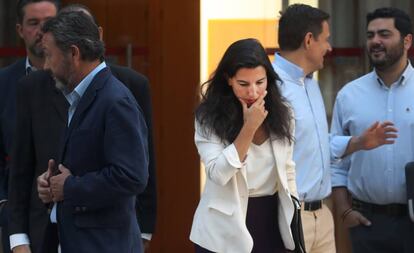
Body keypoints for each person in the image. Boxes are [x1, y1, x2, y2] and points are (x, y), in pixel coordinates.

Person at [272, 4, 397, 253]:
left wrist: (358, 143)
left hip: (323, 216)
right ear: (309, 40)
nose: (329, 47)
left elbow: (318, 144)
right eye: (326, 39)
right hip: (289, 219)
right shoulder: (270, 87)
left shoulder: (311, 84)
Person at [33, 11, 148, 253]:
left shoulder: (115, 100)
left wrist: (71, 187)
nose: (45, 66)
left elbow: (132, 176)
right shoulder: (81, 95)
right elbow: (89, 162)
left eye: (49, 56)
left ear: (73, 53)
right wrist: (53, 183)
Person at [189, 38, 297, 253]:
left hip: (273, 220)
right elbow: (218, 174)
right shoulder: (208, 117)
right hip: (222, 229)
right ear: (229, 79)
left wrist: (295, 214)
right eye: (243, 84)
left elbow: (288, 169)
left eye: (260, 82)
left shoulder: (283, 112)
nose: (253, 92)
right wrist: (249, 128)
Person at [331, 7, 414, 253]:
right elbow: (335, 159)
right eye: (370, 35)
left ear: (407, 40)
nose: (375, 41)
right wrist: (345, 210)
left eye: (384, 34)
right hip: (367, 224)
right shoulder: (349, 95)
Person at [0, 1, 58, 252]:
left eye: (49, 23)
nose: (41, 31)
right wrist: (4, 203)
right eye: (33, 23)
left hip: (73, 216)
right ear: (20, 30)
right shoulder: (3, 84)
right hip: (18, 219)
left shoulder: (77, 81)